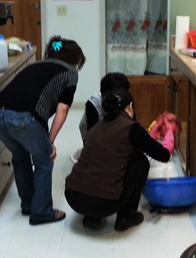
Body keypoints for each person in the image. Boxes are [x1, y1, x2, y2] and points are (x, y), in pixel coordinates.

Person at [0, 35, 86, 226]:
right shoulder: (70, 73)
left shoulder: (36, 65)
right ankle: (41, 211)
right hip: (23, 118)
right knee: (44, 161)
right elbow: (63, 109)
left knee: (20, 157)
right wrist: (49, 141)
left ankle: (28, 205)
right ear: (75, 61)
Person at [65, 89, 174, 232]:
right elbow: (163, 155)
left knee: (99, 164)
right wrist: (169, 133)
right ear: (130, 107)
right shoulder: (131, 128)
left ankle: (92, 218)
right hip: (102, 204)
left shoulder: (96, 128)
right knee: (140, 161)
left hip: (73, 197)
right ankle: (126, 217)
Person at [78, 72, 131, 144]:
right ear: (103, 94)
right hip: (91, 133)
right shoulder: (93, 104)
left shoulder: (127, 100)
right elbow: (92, 136)